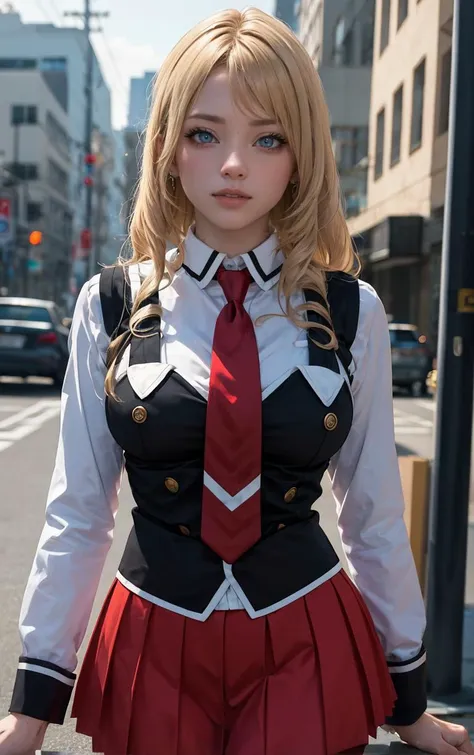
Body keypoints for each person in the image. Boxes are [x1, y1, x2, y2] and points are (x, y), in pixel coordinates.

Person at [0, 7, 473, 755]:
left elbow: (374, 511)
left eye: (267, 138)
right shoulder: (112, 303)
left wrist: (409, 695)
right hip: (152, 636)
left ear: (301, 154)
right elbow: (79, 511)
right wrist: (33, 699)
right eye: (204, 133)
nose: (232, 164)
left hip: (307, 637)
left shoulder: (351, 311)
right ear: (166, 146)